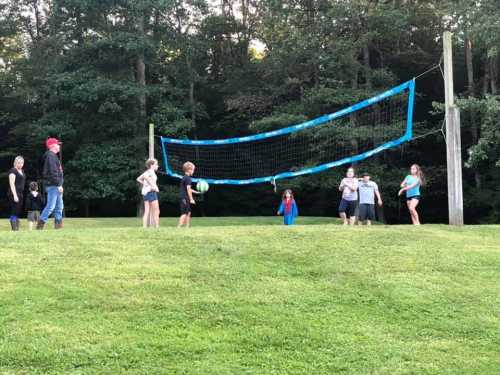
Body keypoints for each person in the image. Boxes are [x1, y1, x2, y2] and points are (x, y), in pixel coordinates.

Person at [37, 138, 64, 230]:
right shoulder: (50, 156)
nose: (59, 146)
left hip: (56, 184)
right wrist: (58, 184)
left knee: (59, 206)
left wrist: (59, 183)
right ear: (52, 146)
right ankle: (40, 225)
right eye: (57, 144)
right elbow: (53, 172)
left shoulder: (53, 156)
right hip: (53, 185)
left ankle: (58, 226)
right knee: (51, 206)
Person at [136, 158, 160, 228]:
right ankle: (157, 227)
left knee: (147, 211)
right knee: (156, 210)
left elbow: (138, 179)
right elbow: (147, 178)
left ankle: (144, 227)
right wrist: (154, 187)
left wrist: (145, 185)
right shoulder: (150, 172)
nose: (157, 166)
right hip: (151, 193)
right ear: (151, 165)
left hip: (146, 193)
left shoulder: (147, 172)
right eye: (156, 164)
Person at [178, 161, 200, 228]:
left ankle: (187, 227)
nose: (193, 171)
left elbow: (188, 188)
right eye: (193, 170)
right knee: (184, 213)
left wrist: (196, 192)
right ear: (189, 170)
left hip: (184, 197)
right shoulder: (188, 179)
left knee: (188, 212)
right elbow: (188, 189)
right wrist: (191, 199)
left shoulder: (184, 177)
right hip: (185, 197)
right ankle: (179, 227)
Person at [7, 156, 26, 231]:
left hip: (20, 193)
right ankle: (14, 228)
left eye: (22, 163)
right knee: (14, 210)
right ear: (15, 163)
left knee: (18, 210)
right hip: (14, 193)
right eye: (19, 163)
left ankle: (17, 228)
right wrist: (15, 195)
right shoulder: (13, 171)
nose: (20, 164)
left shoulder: (22, 171)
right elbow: (12, 184)